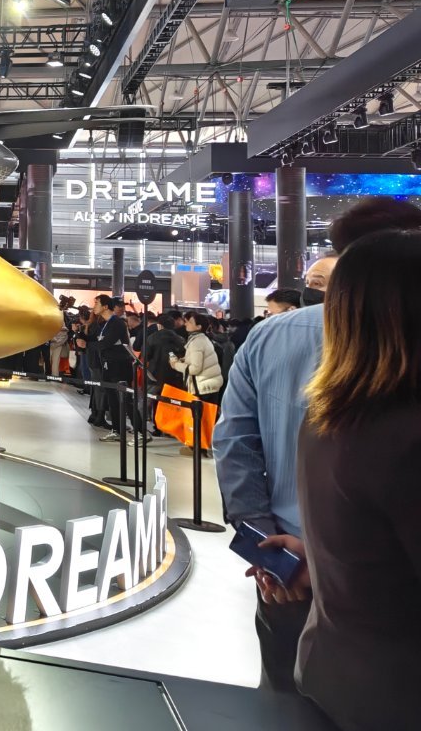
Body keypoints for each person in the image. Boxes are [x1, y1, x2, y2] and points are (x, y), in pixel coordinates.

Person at [215, 196, 421, 692]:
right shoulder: (399, 388)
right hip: (389, 618)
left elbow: (235, 446)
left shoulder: (269, 339)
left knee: (287, 698)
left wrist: (271, 558)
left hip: (293, 577)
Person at [95, 298, 141, 439]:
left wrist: (91, 345)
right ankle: (117, 430)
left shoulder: (117, 323)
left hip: (120, 366)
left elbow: (106, 343)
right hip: (108, 365)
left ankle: (140, 432)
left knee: (126, 400)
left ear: (105, 307)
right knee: (112, 400)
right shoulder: (105, 323)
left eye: (96, 303)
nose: (94, 306)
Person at [170, 311, 224, 407]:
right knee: (208, 414)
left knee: (201, 415)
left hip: (203, 387)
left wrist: (176, 365)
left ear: (199, 327)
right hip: (209, 385)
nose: (186, 324)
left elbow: (195, 369)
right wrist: (183, 360)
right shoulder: (202, 339)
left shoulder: (196, 342)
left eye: (190, 322)